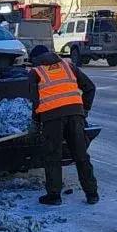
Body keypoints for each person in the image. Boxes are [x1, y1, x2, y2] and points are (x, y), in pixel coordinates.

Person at [28, 44, 98, 206]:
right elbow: (90, 87)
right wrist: (84, 109)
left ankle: (54, 196)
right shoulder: (69, 66)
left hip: (51, 118)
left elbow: (35, 102)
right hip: (75, 115)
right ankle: (92, 193)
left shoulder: (35, 72)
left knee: (53, 156)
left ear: (35, 59)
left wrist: (36, 123)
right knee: (81, 155)